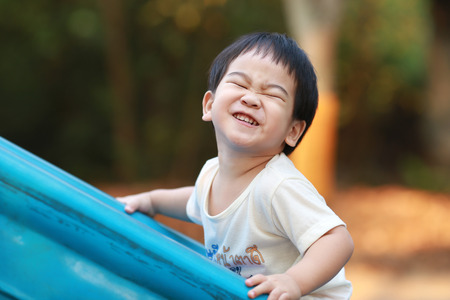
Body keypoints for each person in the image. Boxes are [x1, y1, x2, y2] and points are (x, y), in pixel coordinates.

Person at [117, 32, 354, 300]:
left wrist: (294, 282)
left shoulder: (277, 186)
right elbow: (196, 199)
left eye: (273, 95)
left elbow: (336, 240)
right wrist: (152, 201)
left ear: (293, 130)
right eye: (240, 84)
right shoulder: (211, 174)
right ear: (209, 105)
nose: (251, 99)